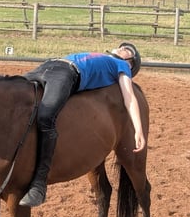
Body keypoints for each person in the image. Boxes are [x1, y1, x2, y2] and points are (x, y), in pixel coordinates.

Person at [20, 42, 146, 207]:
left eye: (128, 50)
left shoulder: (122, 66)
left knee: (46, 115)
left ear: (130, 64)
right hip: (49, 65)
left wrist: (138, 129)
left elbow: (129, 97)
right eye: (123, 47)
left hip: (66, 73)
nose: (123, 48)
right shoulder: (104, 58)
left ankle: (39, 182)